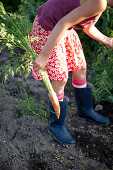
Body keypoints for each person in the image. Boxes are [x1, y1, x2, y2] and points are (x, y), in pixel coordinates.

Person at [30, 0, 113, 145]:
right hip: (49, 30)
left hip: (63, 29)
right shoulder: (99, 2)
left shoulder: (102, 3)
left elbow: (88, 27)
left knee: (80, 67)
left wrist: (107, 40)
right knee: (60, 78)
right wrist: (44, 55)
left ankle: (85, 110)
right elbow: (63, 23)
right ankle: (56, 124)